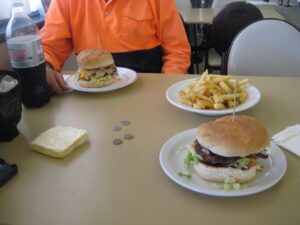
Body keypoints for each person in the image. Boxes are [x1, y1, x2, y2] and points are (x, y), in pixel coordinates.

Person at [41, 0, 191, 95]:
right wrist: (45, 68)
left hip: (149, 92)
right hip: (91, 96)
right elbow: (49, 46)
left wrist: (166, 88)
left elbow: (177, 50)